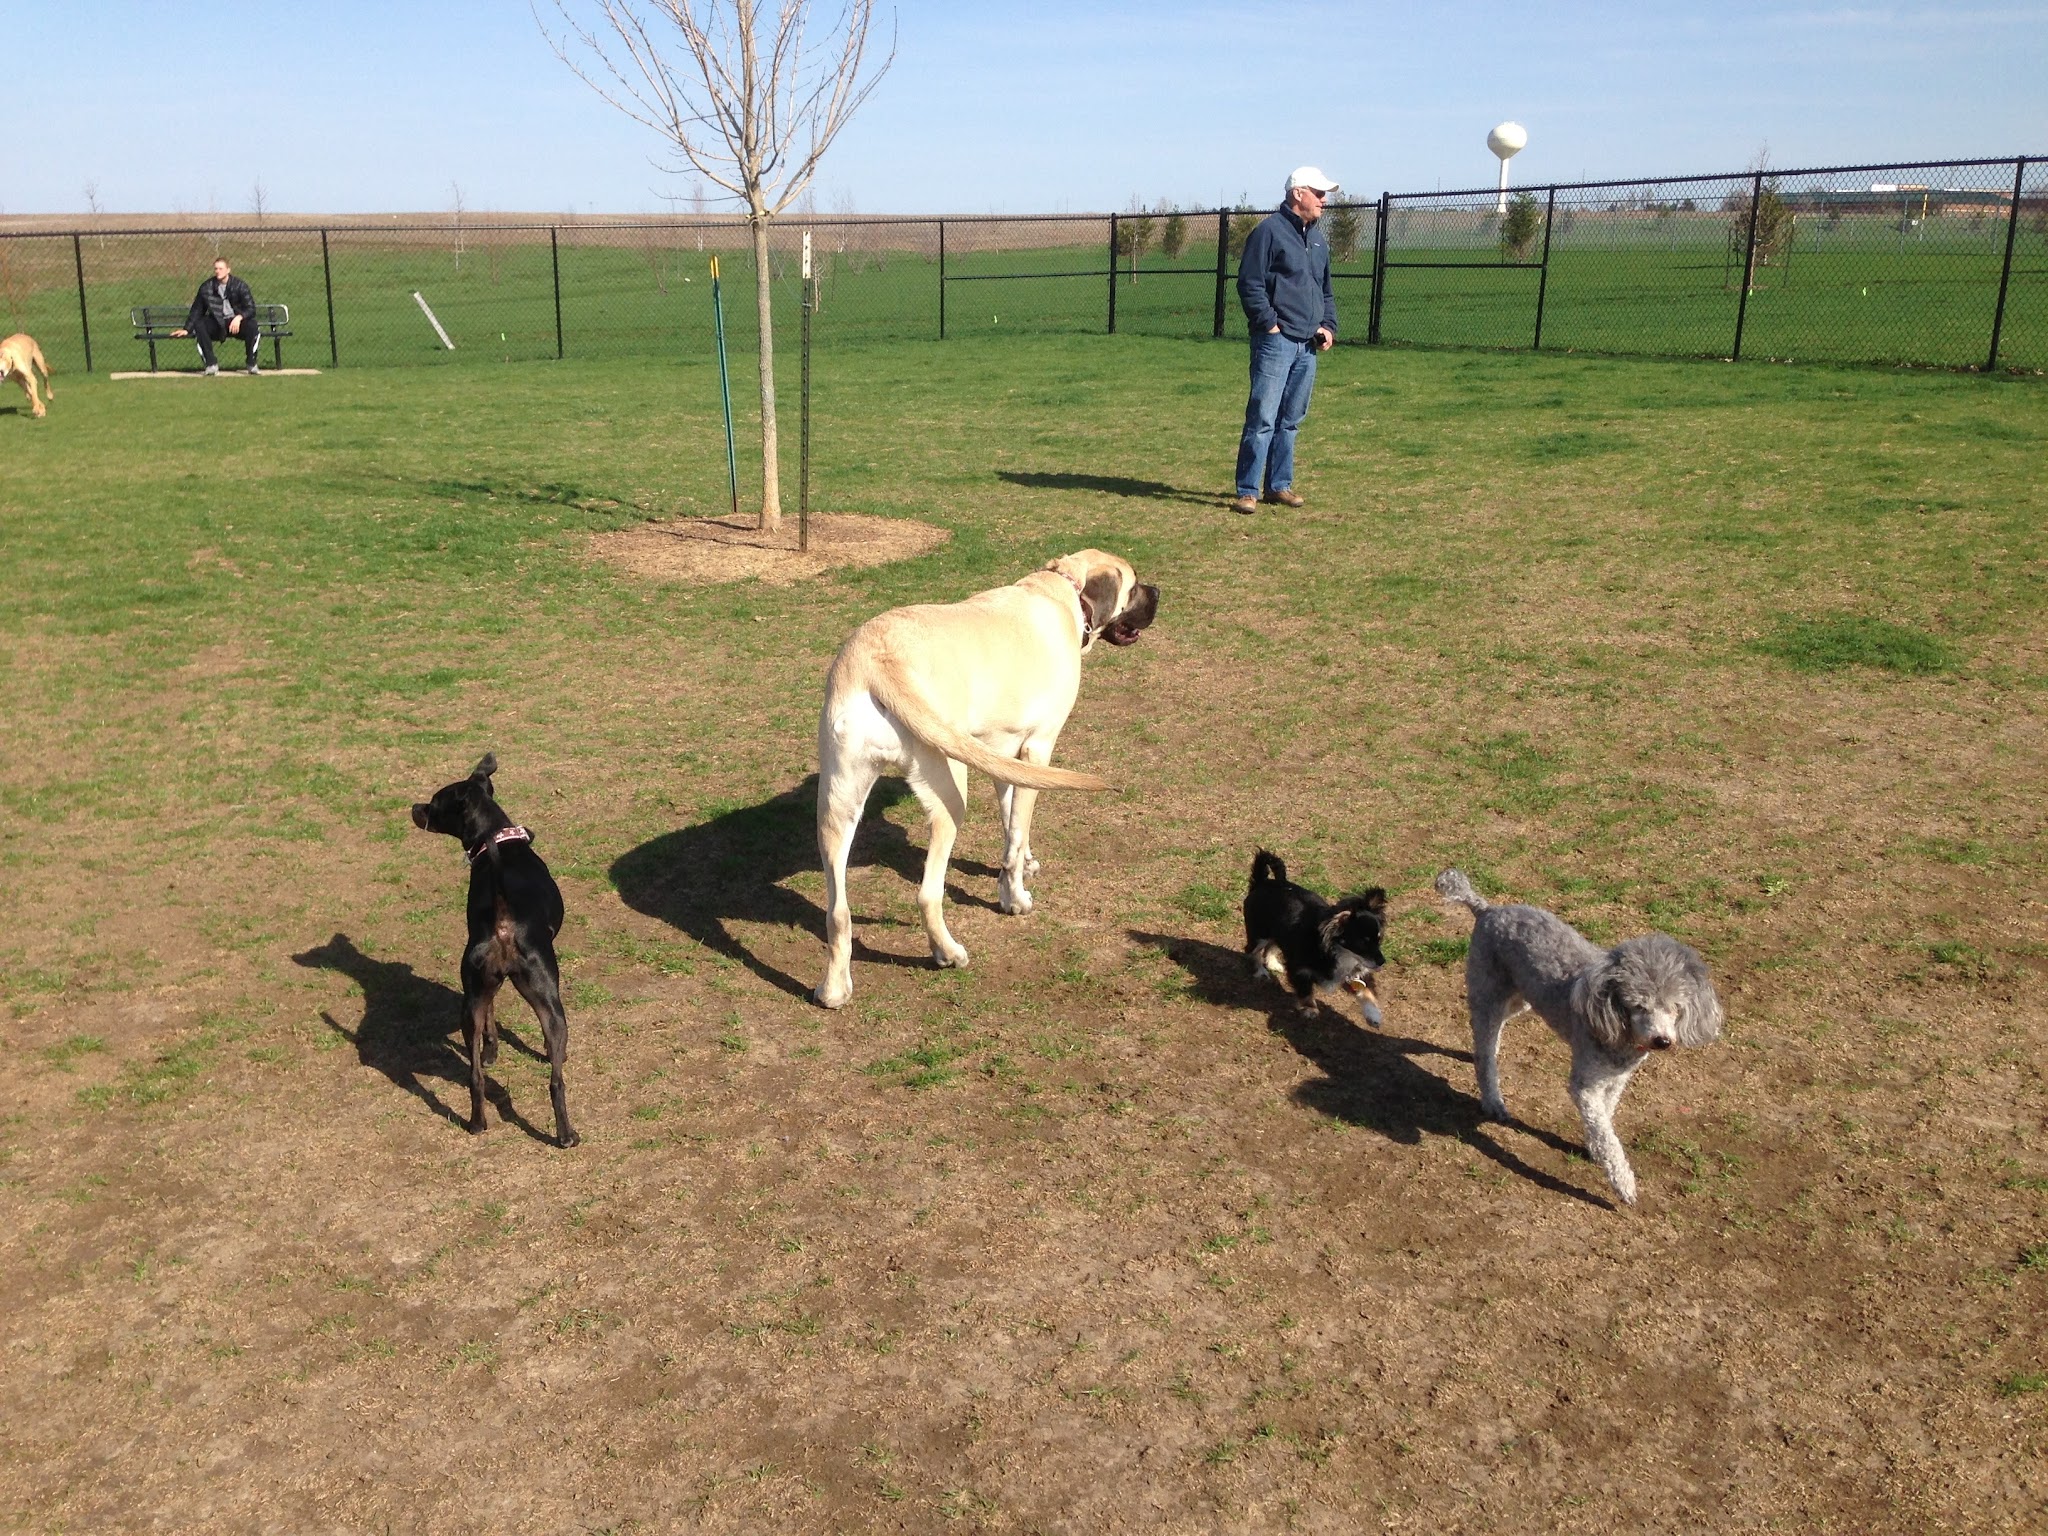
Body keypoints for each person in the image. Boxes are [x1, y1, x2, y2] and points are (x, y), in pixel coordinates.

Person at [1231, 167, 1339, 514]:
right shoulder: (1268, 232)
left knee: (1290, 420)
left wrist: (1328, 326)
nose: (1324, 201)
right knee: (1262, 418)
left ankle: (1278, 486)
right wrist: (1270, 325)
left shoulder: (1318, 239)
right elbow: (1250, 283)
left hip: (1307, 345)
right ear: (1298, 193)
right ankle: (1248, 491)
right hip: (1275, 342)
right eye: (1319, 194)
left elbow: (1325, 290)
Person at [172, 257, 261, 375]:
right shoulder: (206, 287)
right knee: (200, 326)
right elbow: (197, 310)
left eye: (221, 268)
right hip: (217, 323)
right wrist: (186, 329)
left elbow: (251, 309)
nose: (218, 271)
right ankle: (211, 365)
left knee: (253, 326)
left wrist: (239, 317)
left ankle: (251, 363)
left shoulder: (240, 285)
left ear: (228, 270)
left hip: (236, 323)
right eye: (216, 269)